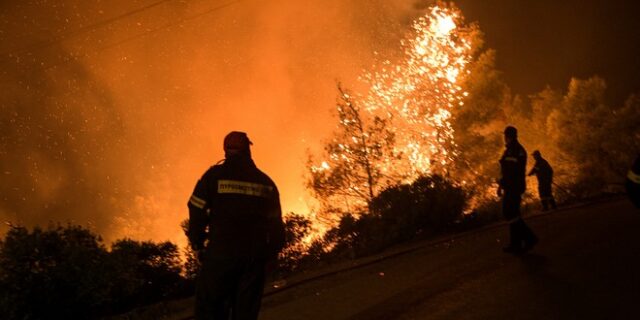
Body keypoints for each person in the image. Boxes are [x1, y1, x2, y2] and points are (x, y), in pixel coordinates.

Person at [187, 131, 285, 320]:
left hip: (220, 257)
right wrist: (271, 255)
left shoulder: (213, 177)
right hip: (253, 260)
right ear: (248, 150)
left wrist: (197, 243)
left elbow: (196, 208)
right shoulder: (266, 183)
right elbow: (276, 225)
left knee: (210, 310)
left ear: (226, 151)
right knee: (246, 313)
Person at [498, 126, 538, 254]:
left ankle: (529, 238)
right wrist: (501, 185)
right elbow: (506, 170)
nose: (504, 137)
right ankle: (516, 244)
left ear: (508, 136)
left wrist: (503, 183)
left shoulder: (516, 150)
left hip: (514, 186)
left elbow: (512, 171)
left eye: (505, 135)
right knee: (512, 214)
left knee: (510, 213)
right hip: (510, 186)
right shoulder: (511, 149)